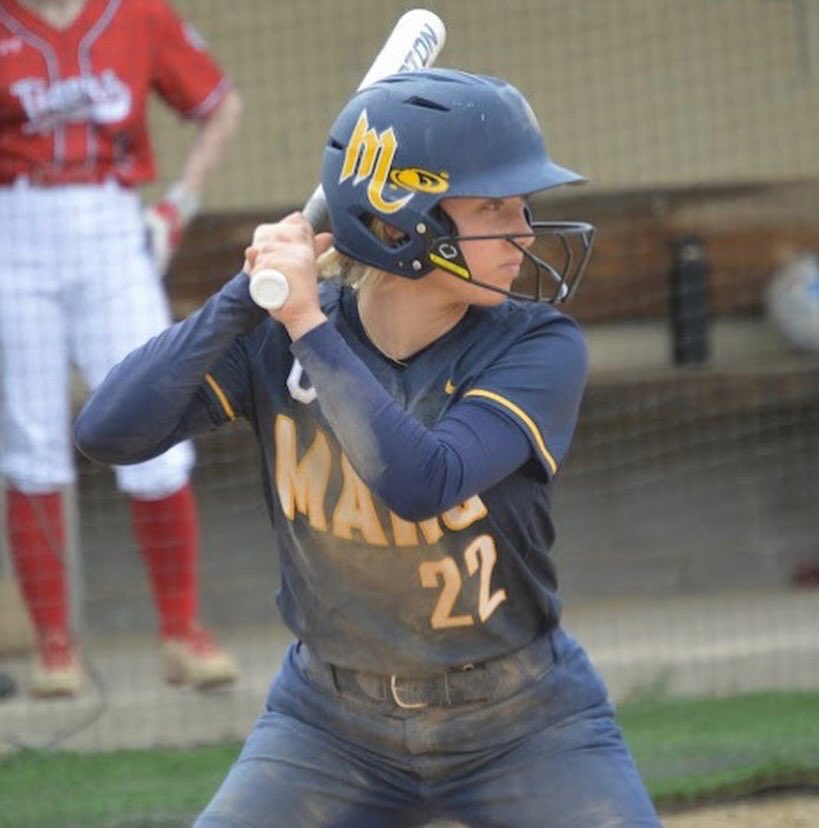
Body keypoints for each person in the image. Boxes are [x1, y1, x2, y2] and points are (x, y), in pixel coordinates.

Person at [75, 69, 661, 827]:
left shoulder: (538, 345)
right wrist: (242, 297)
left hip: (523, 721)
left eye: (523, 205)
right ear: (401, 226)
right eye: (493, 207)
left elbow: (423, 481)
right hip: (327, 726)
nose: (522, 231)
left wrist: (305, 326)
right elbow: (108, 433)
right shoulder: (281, 334)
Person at [0, 0, 242, 697]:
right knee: (31, 437)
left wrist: (179, 207)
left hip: (111, 222)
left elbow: (221, 105)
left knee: (156, 416)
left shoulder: (136, 13)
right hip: (15, 223)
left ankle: (183, 633)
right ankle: (54, 647)